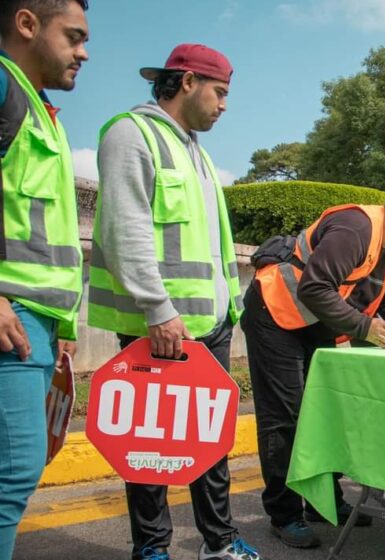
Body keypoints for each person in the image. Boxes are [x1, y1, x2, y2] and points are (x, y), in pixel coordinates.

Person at [88, 44, 262, 560]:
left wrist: (232, 308)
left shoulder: (196, 152)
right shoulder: (131, 134)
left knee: (210, 444)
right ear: (186, 82)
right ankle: (153, 548)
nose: (225, 105)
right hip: (160, 326)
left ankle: (220, 541)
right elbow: (126, 229)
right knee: (151, 446)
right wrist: (158, 309)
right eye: (221, 92)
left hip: (209, 324)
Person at [242, 190, 385, 550]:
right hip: (275, 315)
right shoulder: (356, 228)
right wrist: (364, 327)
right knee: (284, 417)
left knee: (326, 412)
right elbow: (314, 286)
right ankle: (284, 514)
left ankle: (322, 501)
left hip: (315, 322)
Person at [0, 1, 87, 558]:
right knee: (11, 477)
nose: (84, 52)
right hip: (13, 321)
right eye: (74, 36)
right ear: (27, 24)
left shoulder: (37, 108)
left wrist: (62, 324)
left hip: (35, 326)